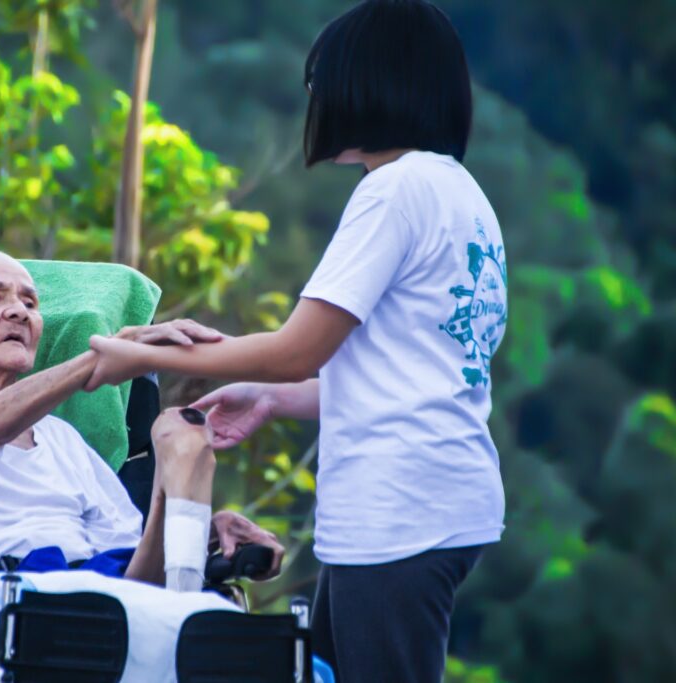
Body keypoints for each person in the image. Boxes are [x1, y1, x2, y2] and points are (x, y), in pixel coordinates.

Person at [84, 1, 507, 680]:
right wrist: (274, 400)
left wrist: (139, 354)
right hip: (443, 497)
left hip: (398, 509)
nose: (318, 99)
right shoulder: (461, 194)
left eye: (325, 82)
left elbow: (295, 347)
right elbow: (404, 371)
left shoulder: (393, 191)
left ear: (371, 84)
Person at [0, 249, 283, 591]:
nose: (19, 312)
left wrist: (201, 529)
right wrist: (104, 355)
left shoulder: (63, 440)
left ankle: (178, 478)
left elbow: (132, 563)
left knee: (179, 430)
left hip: (90, 594)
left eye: (30, 303)